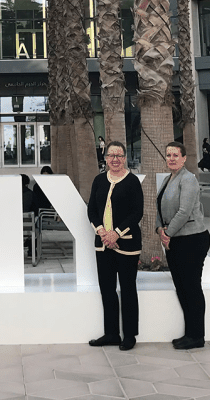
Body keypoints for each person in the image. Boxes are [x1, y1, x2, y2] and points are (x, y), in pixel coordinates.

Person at [87, 140, 143, 351]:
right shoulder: (99, 180)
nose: (115, 159)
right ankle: (111, 333)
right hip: (103, 245)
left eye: (119, 155)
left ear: (125, 157)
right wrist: (101, 231)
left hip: (126, 245)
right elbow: (91, 209)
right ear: (105, 157)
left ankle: (129, 335)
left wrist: (116, 233)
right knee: (107, 289)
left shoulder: (133, 182)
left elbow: (137, 212)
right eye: (111, 155)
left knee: (128, 289)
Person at [158, 142, 210, 350]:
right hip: (175, 241)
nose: (171, 158)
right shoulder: (167, 179)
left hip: (192, 239)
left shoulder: (188, 179)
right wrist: (159, 231)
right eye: (168, 155)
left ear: (184, 158)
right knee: (182, 288)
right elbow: (159, 207)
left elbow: (184, 211)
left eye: (175, 155)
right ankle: (189, 333)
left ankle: (197, 336)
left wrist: (167, 233)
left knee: (192, 288)